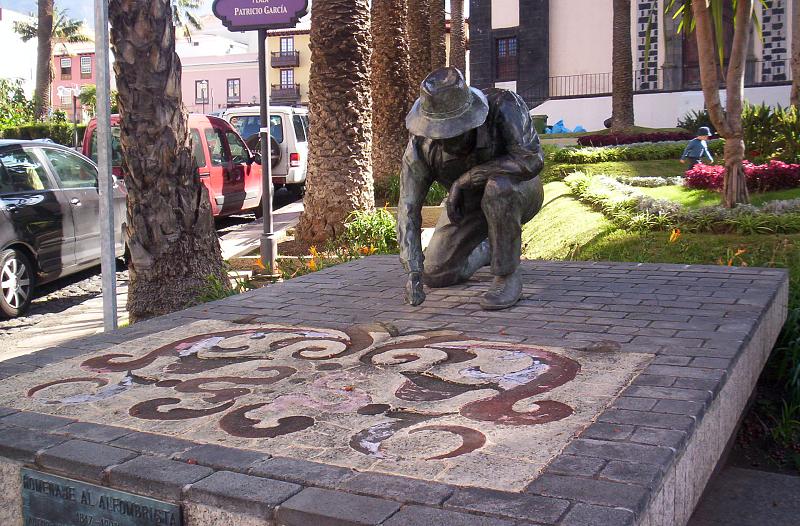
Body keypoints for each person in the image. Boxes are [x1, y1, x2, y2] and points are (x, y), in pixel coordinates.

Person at [398, 67, 544, 311]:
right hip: (468, 207)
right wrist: (412, 269)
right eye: (440, 133)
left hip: (517, 190)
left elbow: (531, 160)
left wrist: (465, 180)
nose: (447, 140)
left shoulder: (504, 106)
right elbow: (408, 207)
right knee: (435, 274)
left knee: (498, 187)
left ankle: (506, 275)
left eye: (455, 131)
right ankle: (489, 248)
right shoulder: (419, 146)